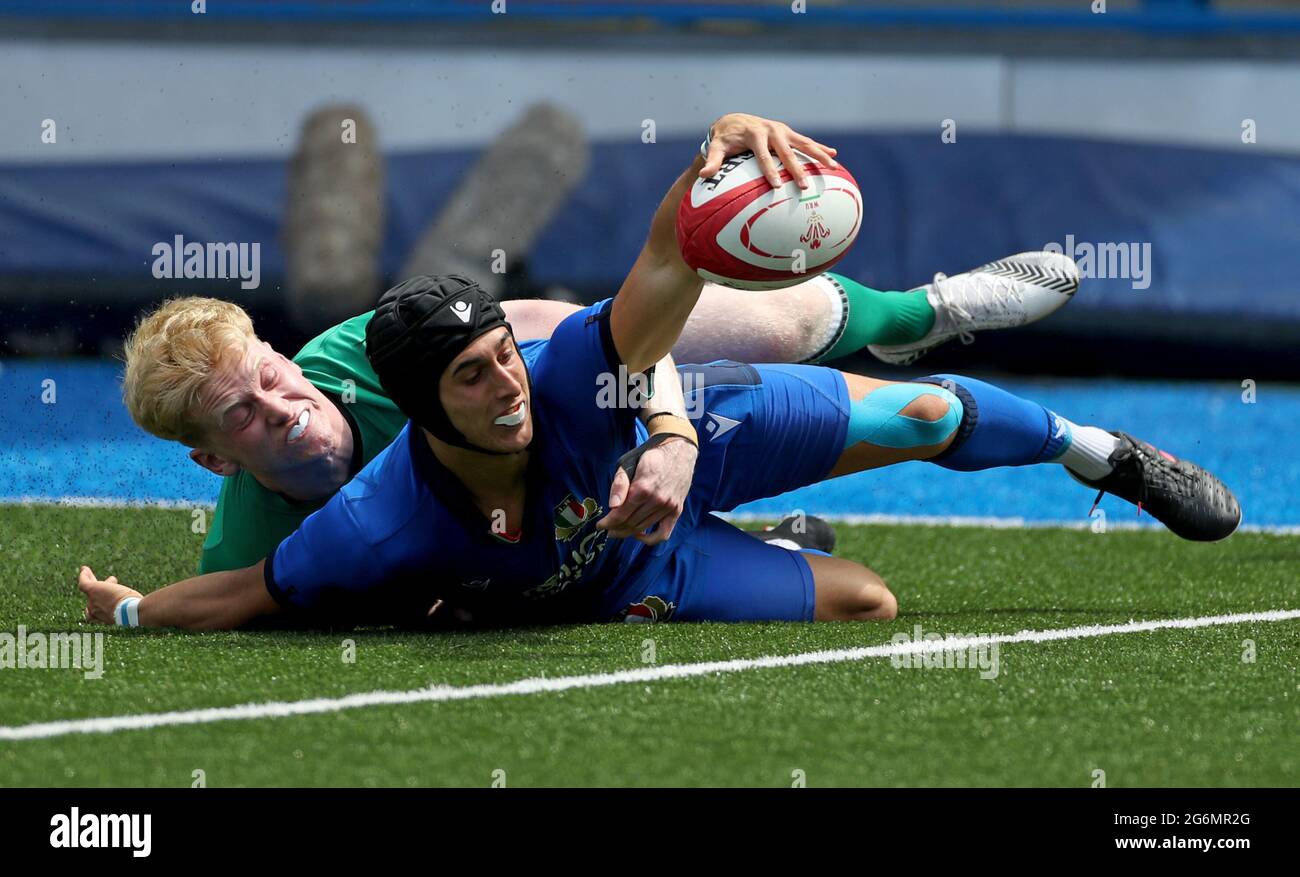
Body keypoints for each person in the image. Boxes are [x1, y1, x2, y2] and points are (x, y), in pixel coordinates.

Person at [80, 113, 1238, 631]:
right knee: (869, 600)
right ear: (214, 455)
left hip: (637, 408)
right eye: (250, 412)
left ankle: (970, 349)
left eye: (275, 375)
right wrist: (129, 614)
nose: (287, 403)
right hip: (608, 556)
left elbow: (615, 316)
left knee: (879, 386)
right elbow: (244, 592)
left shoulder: (419, 364)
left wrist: (716, 154)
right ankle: (770, 550)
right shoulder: (333, 527)